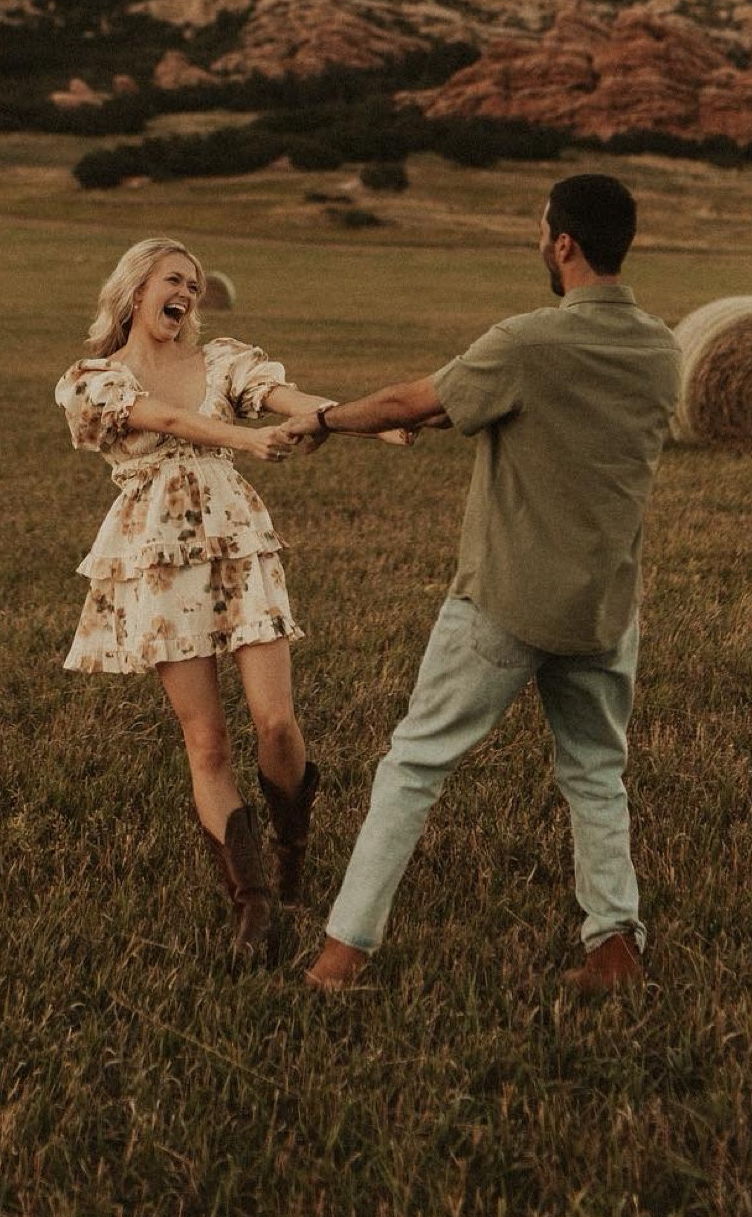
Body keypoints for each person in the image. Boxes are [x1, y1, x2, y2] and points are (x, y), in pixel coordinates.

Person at [279, 173, 682, 995]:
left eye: (542, 231)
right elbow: (453, 407)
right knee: (596, 776)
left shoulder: (530, 340)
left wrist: (320, 420)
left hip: (503, 600)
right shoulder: (661, 348)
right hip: (604, 607)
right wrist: (417, 417)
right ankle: (613, 947)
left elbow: (412, 398)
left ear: (562, 243)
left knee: (413, 766)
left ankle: (339, 958)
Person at [55, 236, 404, 954]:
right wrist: (245, 442)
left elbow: (285, 398)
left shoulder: (221, 361)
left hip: (237, 541)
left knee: (275, 722)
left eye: (194, 284)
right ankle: (251, 903)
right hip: (157, 554)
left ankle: (292, 845)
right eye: (172, 279)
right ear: (135, 289)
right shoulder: (94, 378)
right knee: (205, 739)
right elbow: (173, 424)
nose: (186, 292)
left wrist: (355, 418)